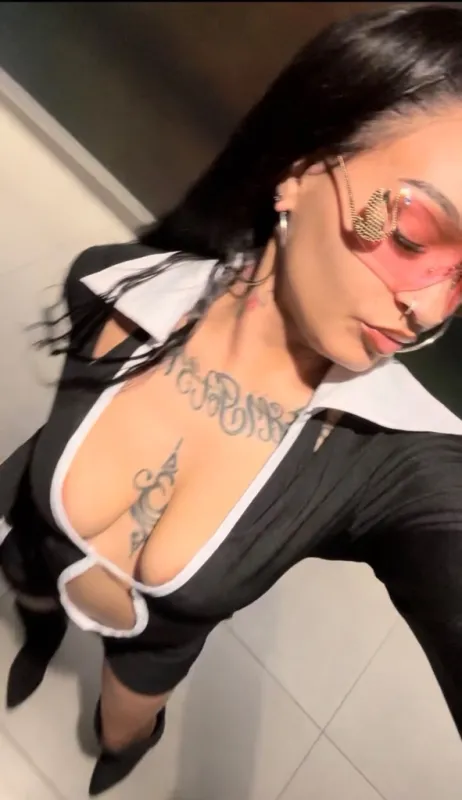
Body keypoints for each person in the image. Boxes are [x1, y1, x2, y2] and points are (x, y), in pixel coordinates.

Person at [2, 3, 462, 794]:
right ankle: (37, 634)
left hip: (149, 655)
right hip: (33, 551)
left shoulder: (395, 457)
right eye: (414, 238)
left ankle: (120, 748)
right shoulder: (113, 284)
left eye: (461, 280)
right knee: (28, 592)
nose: (428, 310)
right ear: (301, 170)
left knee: (120, 728)